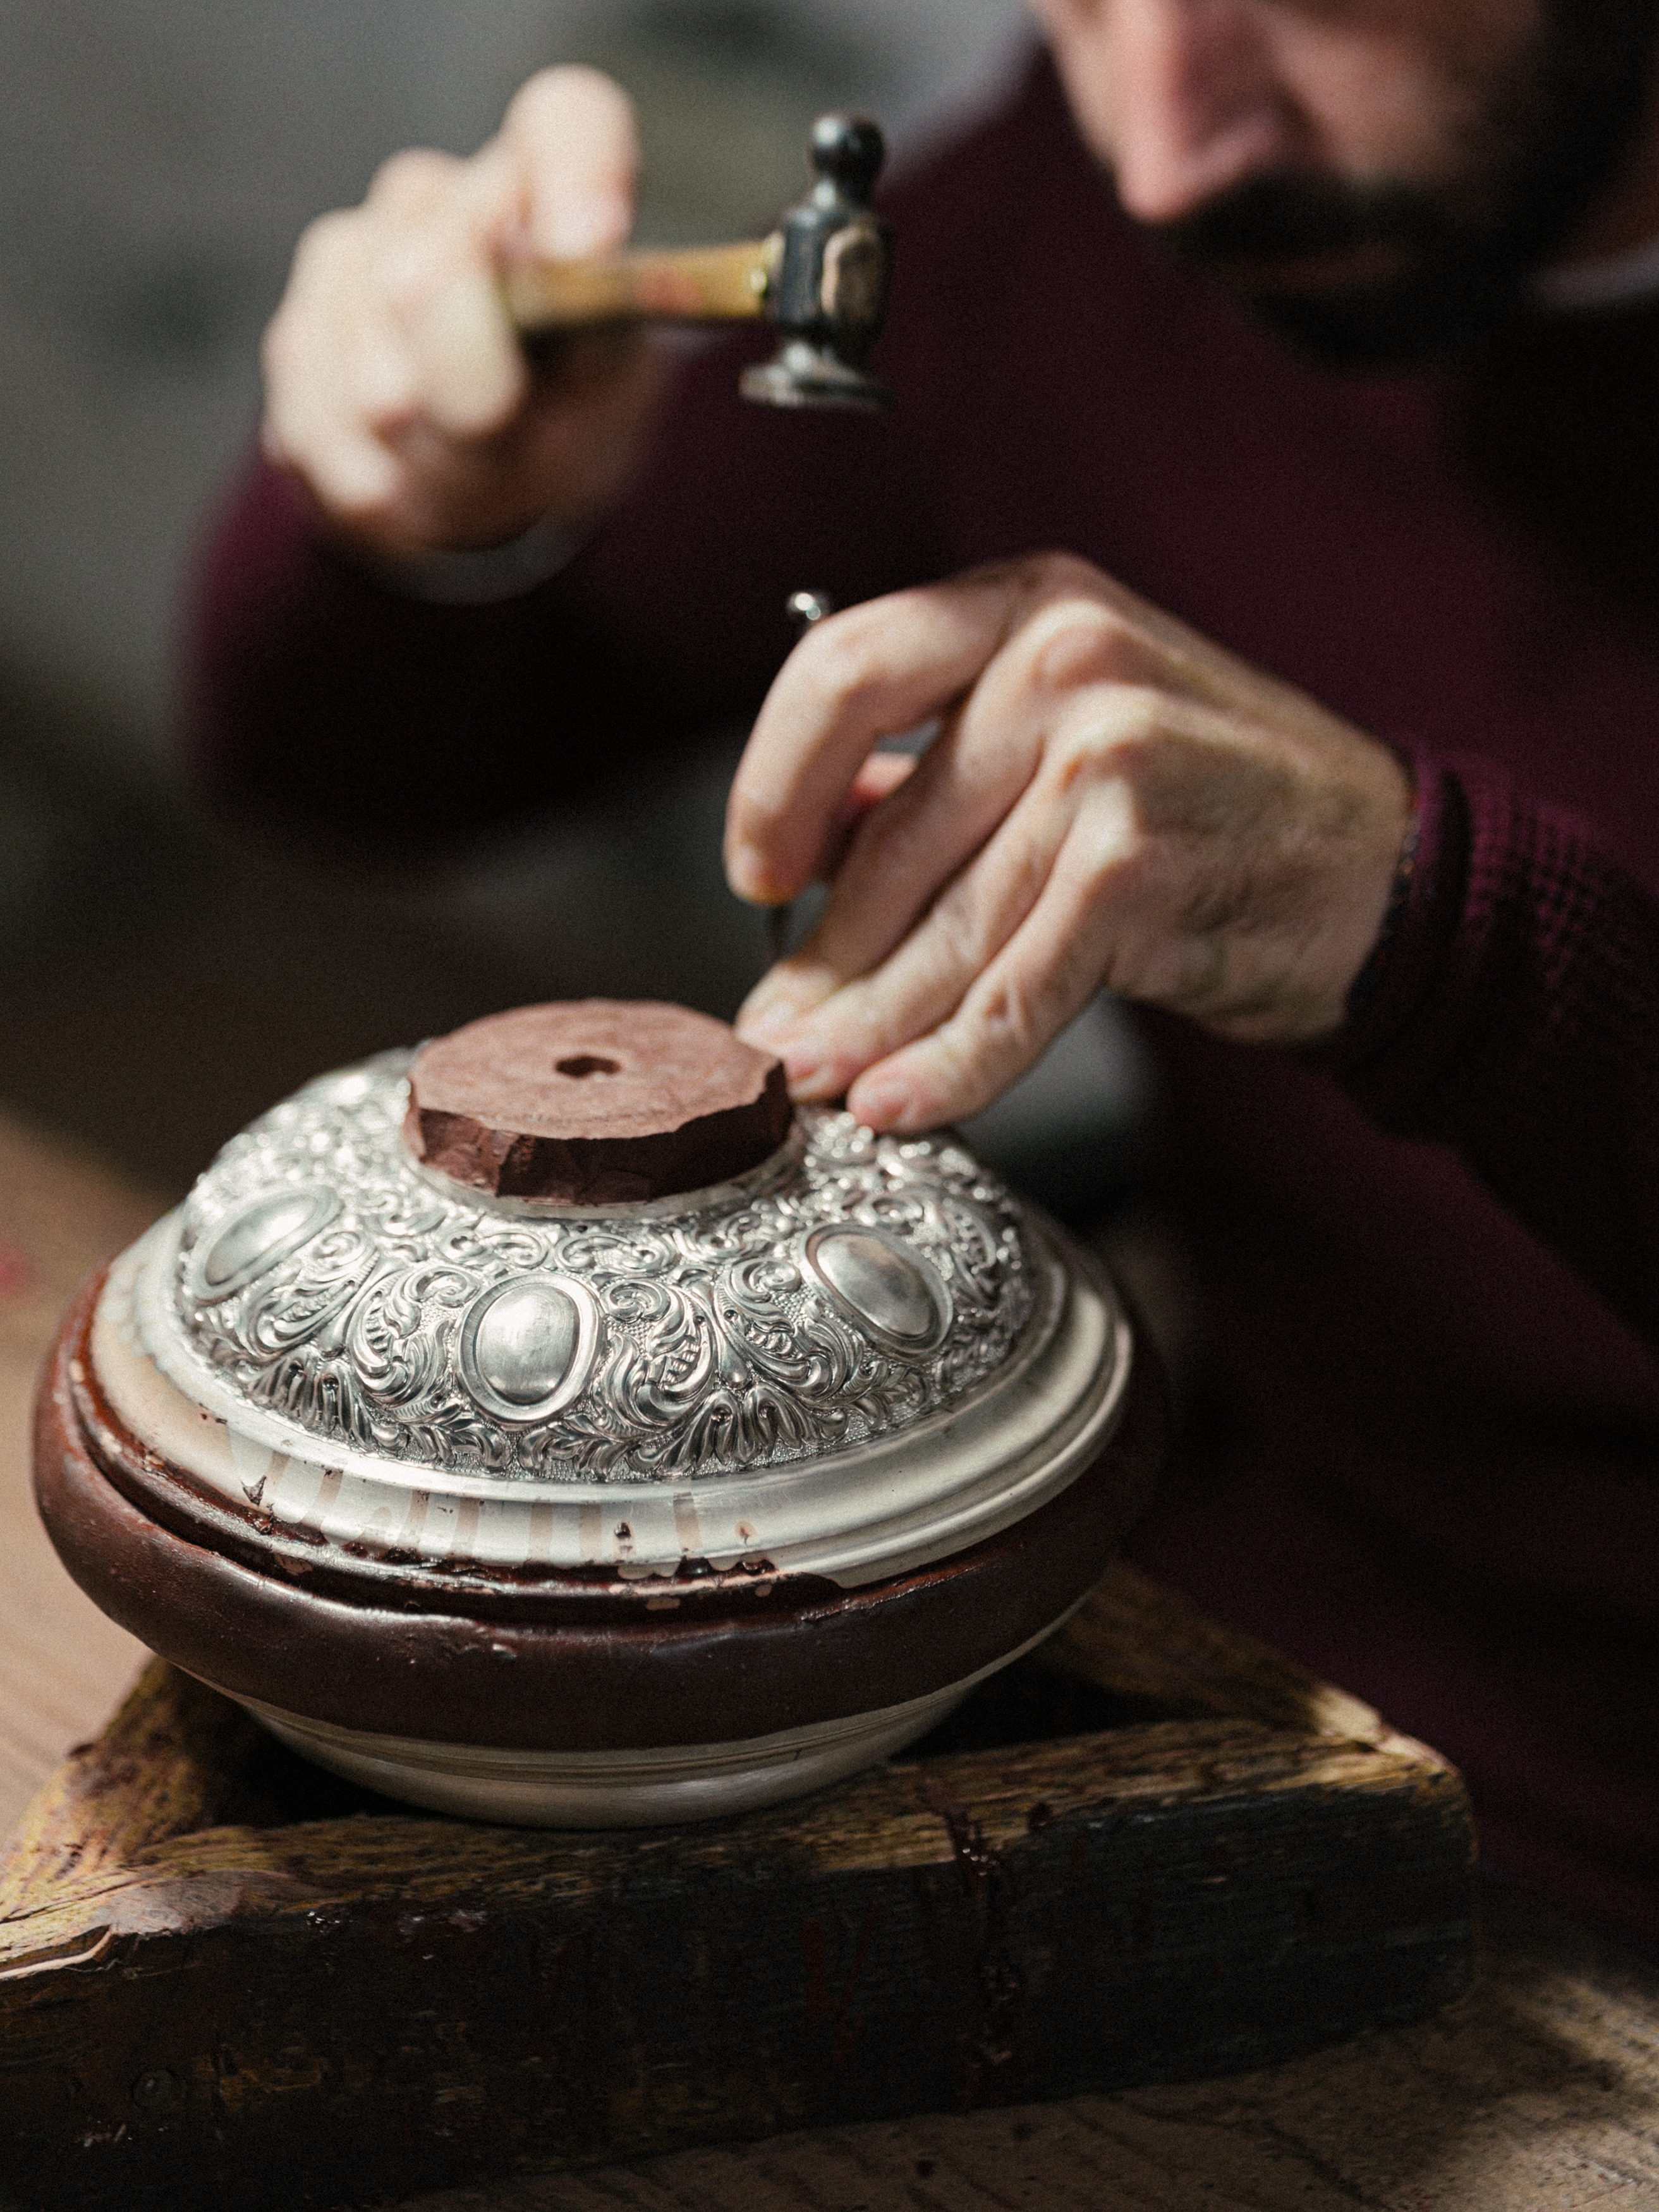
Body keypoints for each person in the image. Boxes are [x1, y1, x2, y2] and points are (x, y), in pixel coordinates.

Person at [190, 1, 1659, 1943]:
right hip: (1234, 1703)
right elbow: (353, 756)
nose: (1164, 151)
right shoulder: (1068, 242)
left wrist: (1441, 928)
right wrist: (411, 496)